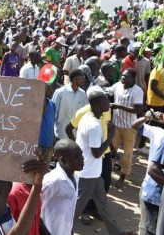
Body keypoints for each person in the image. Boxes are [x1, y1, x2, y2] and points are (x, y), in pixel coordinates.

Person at [74, 91, 131, 234]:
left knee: (103, 204)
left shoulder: (90, 117)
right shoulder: (93, 125)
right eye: (106, 101)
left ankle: (117, 232)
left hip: (93, 172)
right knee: (75, 210)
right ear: (99, 104)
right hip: (87, 174)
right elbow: (97, 152)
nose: (109, 103)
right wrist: (111, 135)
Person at [132, 111, 164, 234]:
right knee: (148, 229)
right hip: (153, 194)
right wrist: (146, 117)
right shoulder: (158, 133)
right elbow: (134, 126)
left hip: (161, 195)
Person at [41, 139, 84, 235]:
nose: (82, 158)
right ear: (63, 159)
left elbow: (69, 211)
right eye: (76, 156)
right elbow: (35, 212)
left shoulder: (75, 177)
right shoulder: (52, 181)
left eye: (81, 154)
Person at [111, 68, 144, 188]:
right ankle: (107, 173)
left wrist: (118, 106)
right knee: (111, 150)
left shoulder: (137, 91)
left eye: (126, 76)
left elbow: (137, 109)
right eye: (122, 75)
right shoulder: (117, 86)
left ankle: (123, 176)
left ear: (133, 78)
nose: (123, 78)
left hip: (130, 127)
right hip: (115, 125)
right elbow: (107, 91)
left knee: (127, 154)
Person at [52, 69, 88, 140]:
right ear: (75, 79)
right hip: (61, 133)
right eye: (82, 79)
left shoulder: (82, 93)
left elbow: (84, 113)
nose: (84, 81)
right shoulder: (60, 93)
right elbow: (53, 113)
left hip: (76, 134)